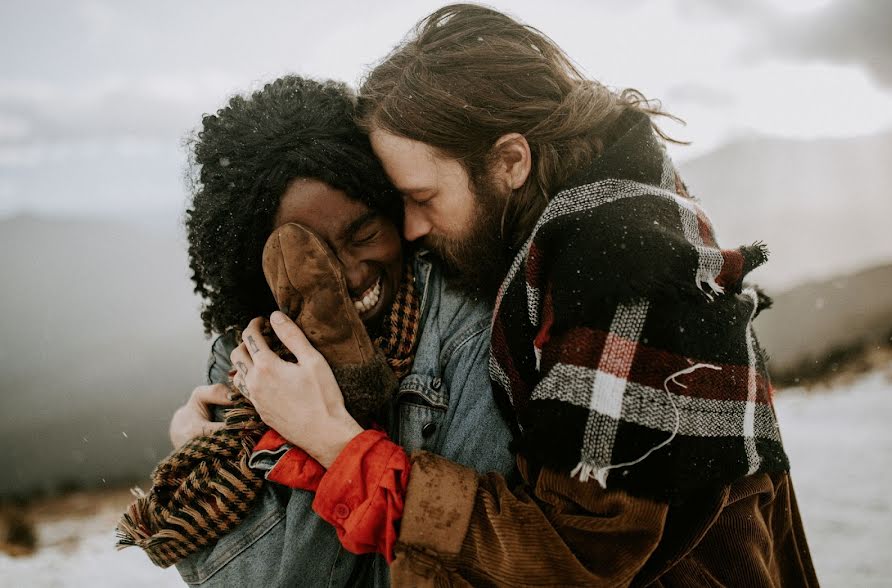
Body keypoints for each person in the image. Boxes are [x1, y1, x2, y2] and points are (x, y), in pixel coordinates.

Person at [234, 5, 819, 587]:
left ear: (510, 161)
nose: (411, 229)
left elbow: (569, 561)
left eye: (424, 196)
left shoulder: (618, 273)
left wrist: (339, 445)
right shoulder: (583, 232)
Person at [162, 75, 514, 586]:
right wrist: (199, 456)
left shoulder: (470, 330)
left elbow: (473, 562)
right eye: (311, 258)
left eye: (364, 233)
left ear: (394, 212)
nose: (349, 275)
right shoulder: (250, 361)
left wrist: (326, 431)